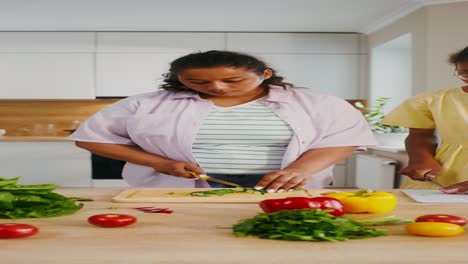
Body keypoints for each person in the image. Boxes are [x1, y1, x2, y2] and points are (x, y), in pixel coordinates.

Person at [69, 50, 376, 192]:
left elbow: (342, 139)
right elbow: (92, 138)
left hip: (281, 187)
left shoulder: (315, 102)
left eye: (232, 80)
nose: (217, 88)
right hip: (174, 187)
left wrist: (300, 169)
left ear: (264, 74)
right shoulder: (144, 103)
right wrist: (160, 163)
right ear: (179, 78)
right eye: (197, 81)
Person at [382, 46, 468, 193]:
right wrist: (420, 158)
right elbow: (420, 135)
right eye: (466, 73)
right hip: (444, 179)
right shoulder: (433, 100)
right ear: (457, 69)